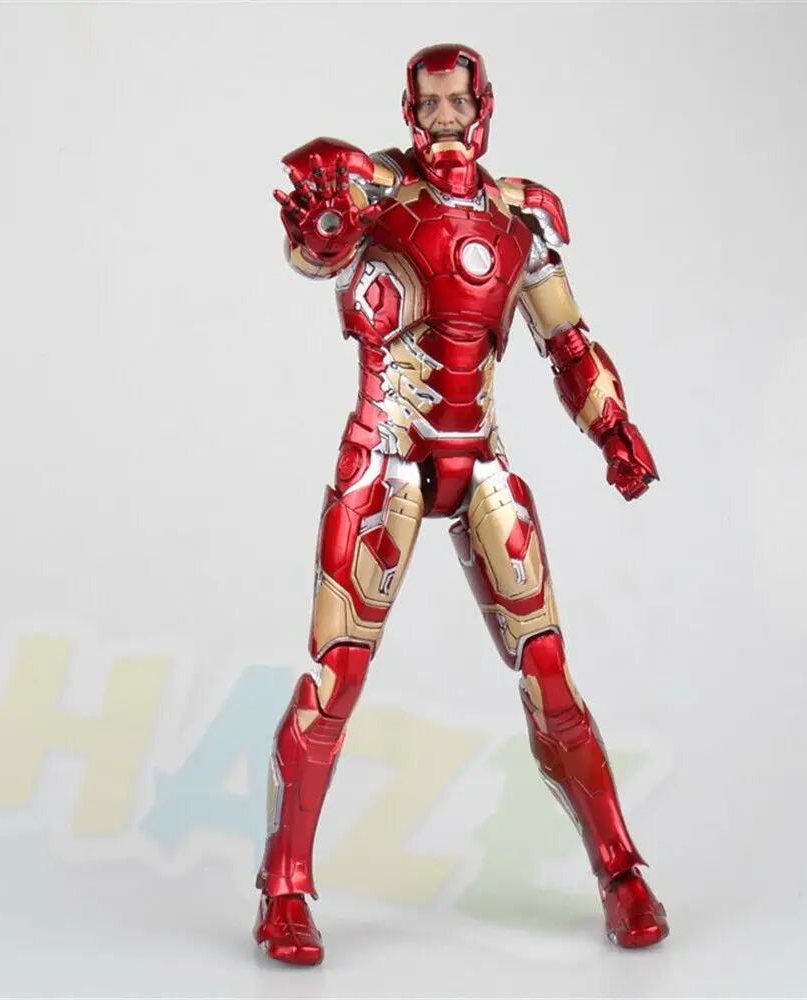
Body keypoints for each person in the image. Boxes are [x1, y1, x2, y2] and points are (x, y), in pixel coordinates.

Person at [254, 42, 668, 966]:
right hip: (386, 458)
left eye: (459, 102)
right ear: (410, 108)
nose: (445, 118)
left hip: (480, 460)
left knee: (549, 672)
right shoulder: (373, 190)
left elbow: (569, 342)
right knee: (338, 675)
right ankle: (284, 886)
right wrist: (325, 228)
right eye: (431, 102)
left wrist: (614, 430)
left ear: (484, 106)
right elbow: (310, 253)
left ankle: (621, 869)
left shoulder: (521, 217)